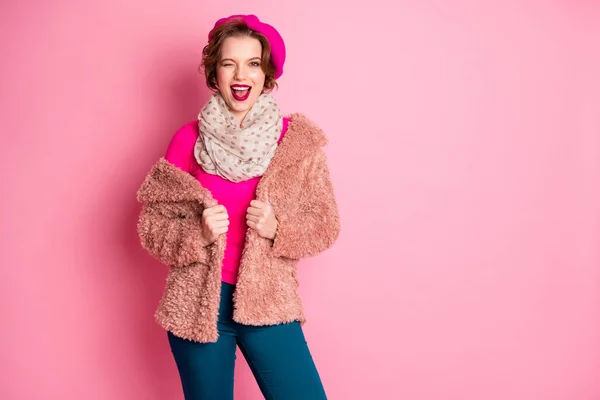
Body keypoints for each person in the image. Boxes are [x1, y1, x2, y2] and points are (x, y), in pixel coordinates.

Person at [136, 14, 340, 400]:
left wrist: (278, 228)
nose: (240, 74)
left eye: (252, 63)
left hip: (268, 303)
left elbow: (325, 224)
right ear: (215, 73)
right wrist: (197, 230)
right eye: (228, 63)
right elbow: (153, 225)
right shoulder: (188, 139)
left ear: (267, 74)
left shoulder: (296, 143)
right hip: (198, 307)